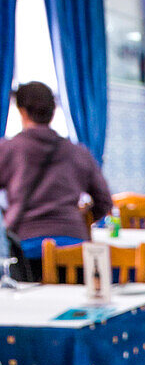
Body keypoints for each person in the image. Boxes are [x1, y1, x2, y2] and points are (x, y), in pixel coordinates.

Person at [0, 81, 112, 280]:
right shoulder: (78, 152)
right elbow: (104, 200)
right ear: (52, 112)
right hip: (75, 246)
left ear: (22, 112)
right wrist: (81, 218)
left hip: (26, 246)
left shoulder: (9, 149)